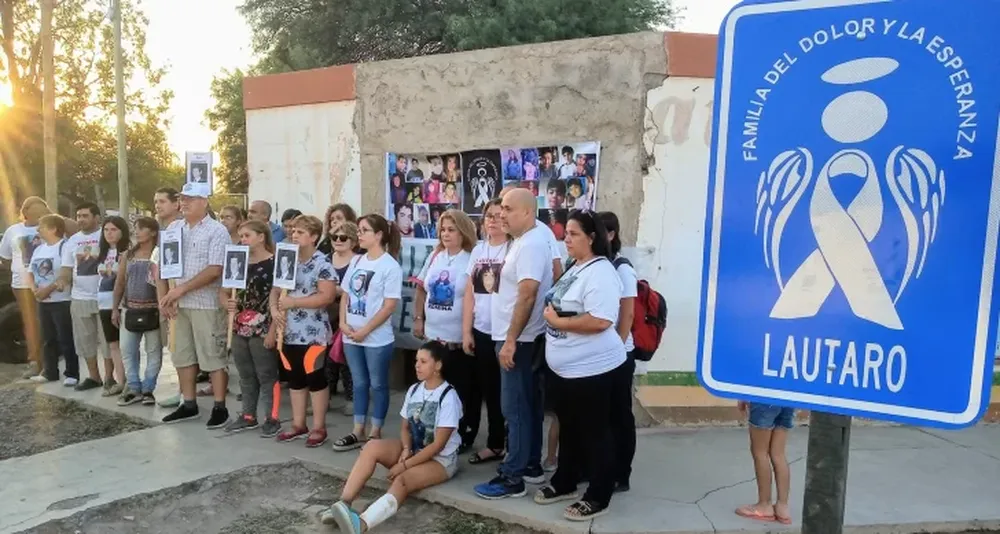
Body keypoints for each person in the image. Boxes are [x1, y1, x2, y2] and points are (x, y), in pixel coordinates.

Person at [534, 210, 630, 521]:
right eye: (566, 234)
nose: (567, 239)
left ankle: (598, 494)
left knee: (596, 432)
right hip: (567, 371)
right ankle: (565, 481)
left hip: (595, 371)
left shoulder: (601, 272)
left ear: (592, 238)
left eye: (574, 234)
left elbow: (601, 320)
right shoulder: (577, 267)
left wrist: (557, 321)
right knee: (570, 429)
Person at [321, 341, 463, 533]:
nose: (417, 366)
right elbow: (405, 427)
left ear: (438, 365)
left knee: (402, 480)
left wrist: (404, 465)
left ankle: (361, 524)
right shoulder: (414, 390)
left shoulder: (448, 396)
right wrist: (405, 450)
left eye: (423, 361)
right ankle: (343, 504)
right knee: (371, 447)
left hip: (441, 460)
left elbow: (438, 445)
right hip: (413, 450)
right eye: (416, 361)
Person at [474, 189, 553, 499]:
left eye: (508, 208)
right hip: (517, 339)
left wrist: (510, 340)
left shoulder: (531, 244)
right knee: (528, 407)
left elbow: (528, 294)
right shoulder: (523, 242)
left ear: (527, 213)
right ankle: (530, 465)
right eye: (500, 208)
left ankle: (513, 477)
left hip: (518, 341)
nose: (501, 214)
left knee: (515, 409)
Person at [156, 182, 233, 427]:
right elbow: (164, 265)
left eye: (191, 198)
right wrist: (167, 296)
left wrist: (181, 289)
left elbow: (214, 269)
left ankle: (220, 407)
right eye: (182, 198)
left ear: (205, 202)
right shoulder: (174, 228)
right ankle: (188, 403)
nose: (184, 202)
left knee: (212, 355)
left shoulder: (216, 230)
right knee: (182, 354)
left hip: (206, 303)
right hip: (179, 303)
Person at [333, 214, 403, 452]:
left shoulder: (390, 266)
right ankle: (358, 428)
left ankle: (376, 430)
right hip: (351, 334)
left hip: (376, 337)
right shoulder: (357, 261)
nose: (359, 235)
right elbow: (345, 294)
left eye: (364, 230)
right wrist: (343, 323)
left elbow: (389, 306)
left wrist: (366, 330)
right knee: (359, 382)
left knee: (378, 384)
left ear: (379, 235)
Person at [412, 209, 476, 452]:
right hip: (433, 337)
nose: (446, 234)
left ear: (463, 232)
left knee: (460, 392)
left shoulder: (471, 258)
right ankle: (434, 434)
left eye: (452, 229)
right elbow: (421, 289)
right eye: (443, 229)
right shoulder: (435, 255)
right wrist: (418, 318)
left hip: (457, 341)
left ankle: (461, 436)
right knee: (433, 387)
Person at [272, 215, 337, 447]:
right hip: (288, 330)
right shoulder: (287, 259)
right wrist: (274, 309)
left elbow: (327, 296)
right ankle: (299, 424)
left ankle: (319, 426)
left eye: (300, 232)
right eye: (292, 231)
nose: (293, 234)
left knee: (315, 376)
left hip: (313, 332)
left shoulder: (322, 263)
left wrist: (294, 303)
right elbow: (276, 288)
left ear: (314, 237)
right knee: (295, 378)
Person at [222, 220, 282, 437]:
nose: (243, 240)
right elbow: (224, 290)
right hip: (240, 325)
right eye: (241, 236)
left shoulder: (275, 263)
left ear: (261, 237)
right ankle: (248, 415)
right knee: (245, 374)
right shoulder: (238, 261)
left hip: (264, 324)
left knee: (266, 374)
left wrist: (273, 329)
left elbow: (281, 297)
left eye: (247, 235)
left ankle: (272, 417)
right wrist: (226, 303)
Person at [462, 199, 509, 465]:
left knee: (508, 395)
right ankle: (495, 443)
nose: (492, 220)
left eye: (499, 215)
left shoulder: (513, 248)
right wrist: (467, 331)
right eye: (488, 216)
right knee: (489, 391)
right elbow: (470, 293)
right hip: (482, 330)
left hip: (505, 332)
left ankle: (512, 445)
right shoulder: (479, 250)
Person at [599, 211, 638, 491]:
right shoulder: (599, 265)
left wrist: (616, 350)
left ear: (611, 235)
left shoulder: (622, 268)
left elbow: (627, 315)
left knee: (620, 416)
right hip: (601, 354)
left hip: (620, 355)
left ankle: (621, 474)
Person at [112, 217, 163, 406]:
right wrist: (115, 309)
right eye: (136, 228)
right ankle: (133, 387)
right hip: (129, 309)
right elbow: (120, 283)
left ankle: (148, 388)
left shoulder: (159, 255)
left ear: (153, 232)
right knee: (128, 351)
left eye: (142, 228)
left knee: (154, 352)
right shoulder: (128, 255)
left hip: (153, 310)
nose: (137, 232)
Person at [26, 215, 80, 386]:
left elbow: (66, 274)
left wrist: (47, 290)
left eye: (41, 226)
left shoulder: (64, 247)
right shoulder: (39, 249)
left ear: (53, 229)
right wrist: (35, 289)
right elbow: (30, 272)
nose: (38, 230)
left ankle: (72, 372)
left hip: (61, 300)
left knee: (65, 337)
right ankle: (50, 371)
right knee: (47, 337)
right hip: (42, 301)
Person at [0, 197, 50, 379]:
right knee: (30, 323)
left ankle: (49, 363)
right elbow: (5, 258)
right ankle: (34, 362)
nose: (39, 215)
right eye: (36, 212)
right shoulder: (13, 231)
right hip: (21, 285)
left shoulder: (49, 229)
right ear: (26, 212)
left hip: (46, 283)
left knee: (46, 322)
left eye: (42, 212)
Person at [62, 202, 109, 392]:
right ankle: (93, 377)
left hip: (104, 296)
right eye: (78, 216)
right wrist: (61, 281)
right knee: (85, 340)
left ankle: (110, 379)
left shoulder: (105, 236)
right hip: (79, 298)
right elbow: (66, 268)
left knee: (107, 340)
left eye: (85, 215)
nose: (80, 219)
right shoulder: (72, 241)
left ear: (96, 217)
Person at [735, 401, 795, 525]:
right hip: (788, 398)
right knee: (778, 454)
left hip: (764, 400)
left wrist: (744, 396)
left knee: (760, 453)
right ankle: (782, 506)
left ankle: (764, 504)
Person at [327, 221, 361, 413]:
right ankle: (327, 395)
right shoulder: (325, 259)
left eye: (343, 237)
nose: (338, 241)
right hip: (326, 312)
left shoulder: (358, 262)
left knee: (347, 358)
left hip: (348, 313)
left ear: (353, 241)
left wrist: (334, 290)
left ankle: (351, 398)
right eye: (335, 237)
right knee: (326, 357)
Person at [96, 216, 129, 398]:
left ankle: (132, 382)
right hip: (103, 302)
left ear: (122, 231)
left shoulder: (127, 252)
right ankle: (121, 381)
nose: (109, 233)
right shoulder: (101, 252)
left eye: (114, 229)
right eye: (106, 229)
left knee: (126, 345)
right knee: (113, 345)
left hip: (122, 304)